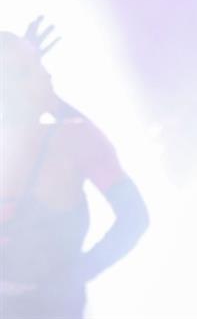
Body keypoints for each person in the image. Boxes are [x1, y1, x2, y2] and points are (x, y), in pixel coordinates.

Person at [0, 20, 150, 319]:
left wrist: (80, 272)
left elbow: (134, 216)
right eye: (32, 69)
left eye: (39, 63)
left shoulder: (74, 141)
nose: (48, 73)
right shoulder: (74, 140)